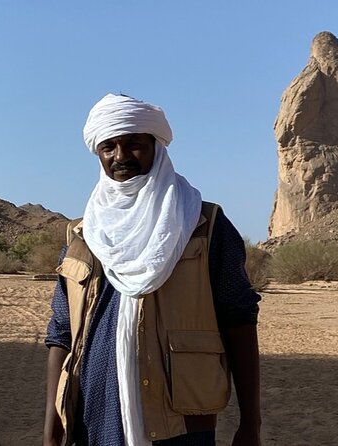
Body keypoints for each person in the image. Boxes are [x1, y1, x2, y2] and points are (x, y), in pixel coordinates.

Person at [43, 94, 261, 446]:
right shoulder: (82, 235)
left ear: (156, 147)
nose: (120, 157)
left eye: (134, 144)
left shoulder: (203, 224)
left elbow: (239, 321)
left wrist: (251, 424)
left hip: (179, 416)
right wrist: (51, 429)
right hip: (94, 409)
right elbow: (61, 333)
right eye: (108, 147)